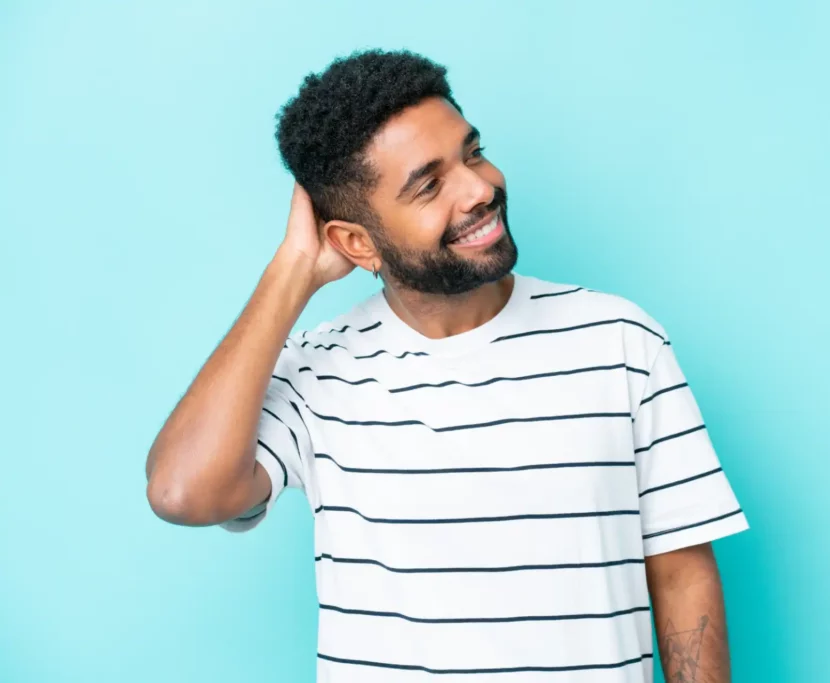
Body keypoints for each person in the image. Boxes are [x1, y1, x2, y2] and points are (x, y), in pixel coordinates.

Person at [145, 49, 748, 683]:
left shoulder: (621, 342)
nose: (480, 188)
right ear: (355, 243)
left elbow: (682, 575)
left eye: (474, 152)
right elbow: (181, 492)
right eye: (429, 185)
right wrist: (292, 269)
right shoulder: (318, 373)